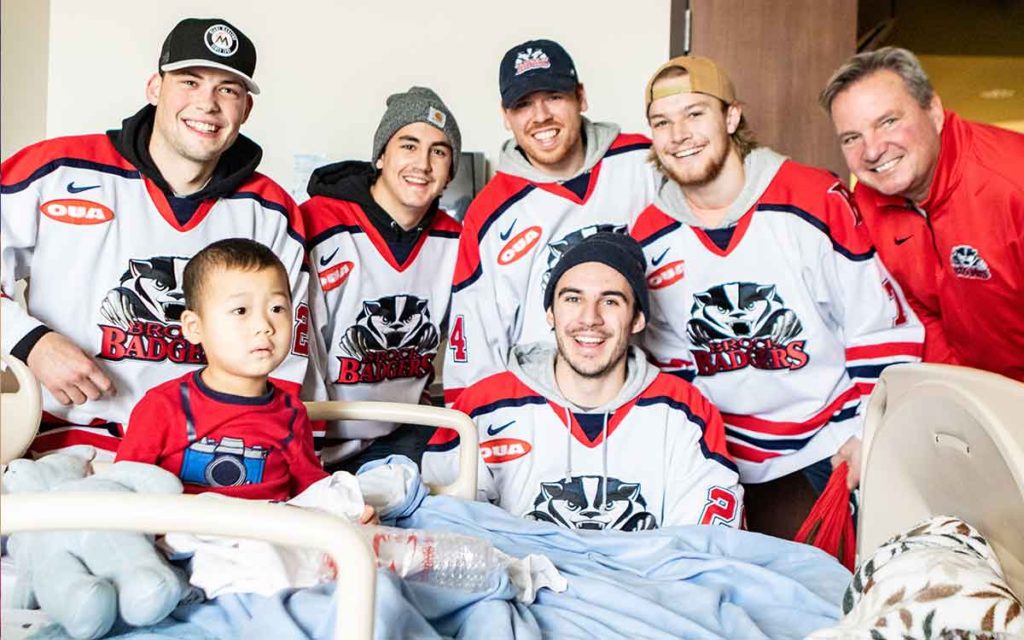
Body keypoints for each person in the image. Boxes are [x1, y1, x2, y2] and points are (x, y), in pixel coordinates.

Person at [0, 18, 313, 457]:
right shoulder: (56, 171)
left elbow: (285, 359)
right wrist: (29, 341)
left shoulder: (272, 212)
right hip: (64, 444)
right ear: (154, 87)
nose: (207, 104)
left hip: (208, 451)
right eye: (190, 81)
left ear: (245, 109)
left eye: (228, 90)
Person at [631, 56, 923, 516]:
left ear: (731, 116)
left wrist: (869, 433)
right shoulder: (649, 235)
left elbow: (879, 332)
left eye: (694, 114)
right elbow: (670, 365)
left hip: (830, 441)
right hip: (721, 452)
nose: (678, 135)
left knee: (866, 577)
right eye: (661, 122)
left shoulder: (810, 197)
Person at [423, 233, 743, 531]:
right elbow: (445, 530)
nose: (590, 318)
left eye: (610, 301)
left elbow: (704, 546)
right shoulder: (485, 405)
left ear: (637, 318)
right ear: (550, 313)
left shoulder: (686, 412)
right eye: (573, 299)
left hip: (643, 589)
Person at [442, 39, 660, 405]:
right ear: (505, 115)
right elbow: (477, 344)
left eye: (554, 97)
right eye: (523, 104)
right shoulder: (490, 212)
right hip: (541, 410)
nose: (540, 115)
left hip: (640, 400)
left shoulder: (642, 163)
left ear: (581, 97)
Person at [822, 47, 1024, 382]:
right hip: (980, 400)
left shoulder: (1013, 180)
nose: (871, 151)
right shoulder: (867, 203)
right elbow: (918, 313)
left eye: (888, 122)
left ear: (933, 111)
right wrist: (969, 397)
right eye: (852, 138)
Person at [301, 87, 462, 472]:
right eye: (409, 145)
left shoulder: (457, 242)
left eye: (439, 151)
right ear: (380, 156)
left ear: (450, 172)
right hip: (318, 440)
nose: (422, 164)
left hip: (400, 435)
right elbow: (298, 353)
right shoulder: (317, 223)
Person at [116, 239, 326, 501]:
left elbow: (312, 490)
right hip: (179, 535)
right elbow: (122, 490)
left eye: (277, 308)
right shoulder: (163, 407)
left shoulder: (292, 414)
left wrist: (344, 506)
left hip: (267, 534)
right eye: (240, 310)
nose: (264, 325)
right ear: (194, 327)